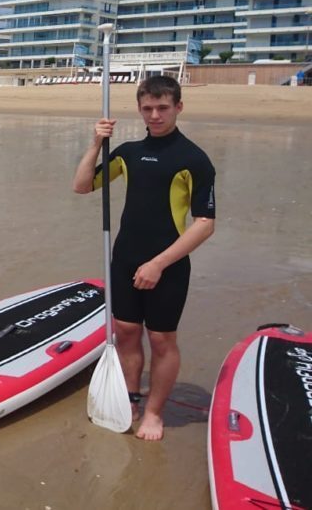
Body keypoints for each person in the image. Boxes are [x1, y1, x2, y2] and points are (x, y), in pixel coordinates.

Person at [72, 75, 216, 441]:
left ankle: (154, 412)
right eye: (147, 108)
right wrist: (95, 144)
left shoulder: (194, 159)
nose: (154, 115)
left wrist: (158, 264)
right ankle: (131, 397)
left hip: (167, 265)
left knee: (162, 340)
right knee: (126, 332)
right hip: (124, 259)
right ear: (139, 109)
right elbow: (83, 185)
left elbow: (204, 224)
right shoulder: (129, 153)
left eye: (162, 108)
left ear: (178, 107)